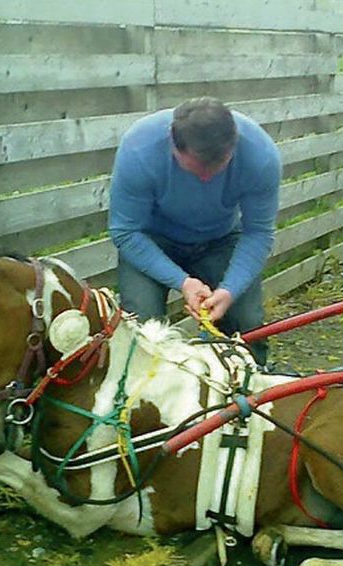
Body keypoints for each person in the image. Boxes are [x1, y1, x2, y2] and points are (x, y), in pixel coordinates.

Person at [108, 96, 281, 365]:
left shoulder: (261, 156)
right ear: (172, 143)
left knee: (247, 325)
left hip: (220, 238)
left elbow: (258, 232)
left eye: (217, 167)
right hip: (152, 241)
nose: (206, 178)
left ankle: (251, 395)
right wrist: (183, 282)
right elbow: (125, 232)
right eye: (195, 168)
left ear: (233, 145)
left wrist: (230, 290)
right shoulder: (138, 149)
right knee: (141, 330)